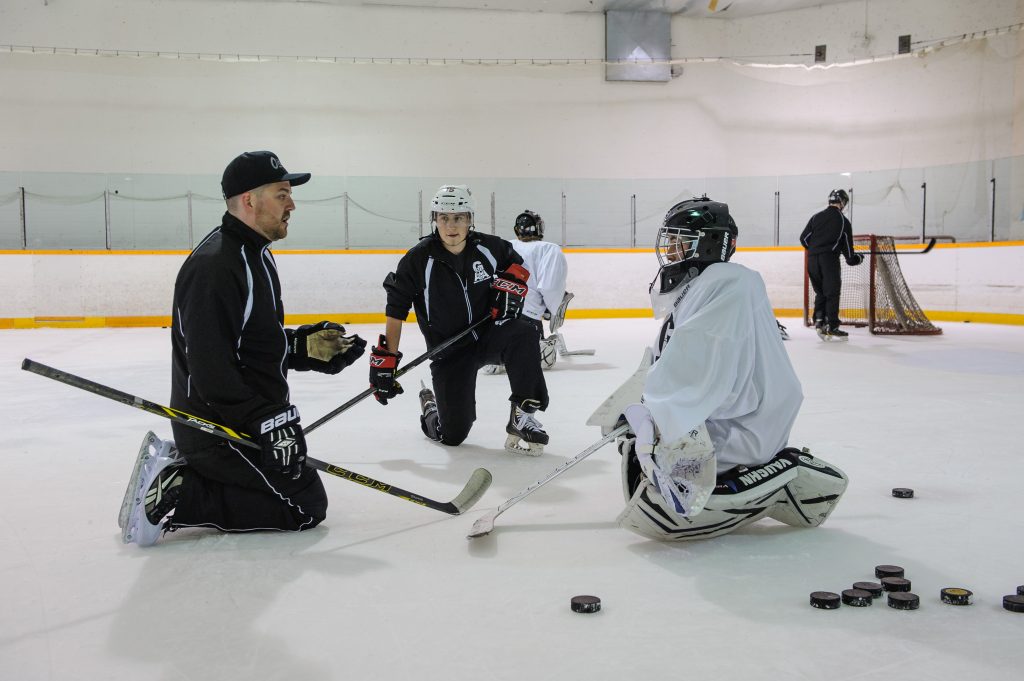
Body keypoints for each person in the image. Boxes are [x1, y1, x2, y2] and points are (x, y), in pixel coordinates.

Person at [119, 150, 367, 547]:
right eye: (282, 194)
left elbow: (250, 343)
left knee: (296, 487)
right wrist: (267, 420)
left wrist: (304, 348)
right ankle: (182, 492)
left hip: (242, 421)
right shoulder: (217, 266)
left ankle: (194, 475)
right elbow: (211, 370)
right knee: (304, 507)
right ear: (250, 200)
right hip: (217, 429)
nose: (292, 205)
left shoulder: (253, 255)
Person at [593, 196, 848, 541]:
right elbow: (672, 355)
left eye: (681, 240)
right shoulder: (706, 285)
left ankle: (774, 474)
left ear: (710, 243)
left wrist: (653, 411)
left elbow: (700, 357)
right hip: (730, 414)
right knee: (639, 447)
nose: (670, 249)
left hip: (747, 427)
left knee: (654, 450)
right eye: (669, 240)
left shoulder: (728, 283)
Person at [371, 184, 551, 455]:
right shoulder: (419, 259)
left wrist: (511, 285)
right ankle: (431, 409)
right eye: (443, 217)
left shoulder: (488, 247)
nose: (451, 225)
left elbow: (518, 265)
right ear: (435, 219)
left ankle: (522, 414)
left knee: (524, 331)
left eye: (458, 218)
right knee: (453, 435)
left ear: (469, 219)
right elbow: (396, 310)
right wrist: (387, 358)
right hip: (449, 351)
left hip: (487, 336)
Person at [481, 210, 567, 373]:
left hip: (495, 315)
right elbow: (550, 286)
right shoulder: (548, 249)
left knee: (494, 353)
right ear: (539, 228)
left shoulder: (504, 245)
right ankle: (538, 348)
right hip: (528, 318)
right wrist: (552, 308)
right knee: (540, 361)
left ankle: (493, 354)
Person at [800, 189, 864, 341]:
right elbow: (849, 254)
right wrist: (858, 258)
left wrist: (817, 248)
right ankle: (833, 326)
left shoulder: (816, 217)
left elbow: (804, 239)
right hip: (829, 261)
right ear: (843, 202)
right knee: (832, 293)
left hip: (812, 260)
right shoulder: (843, 221)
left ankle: (820, 321)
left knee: (820, 292)